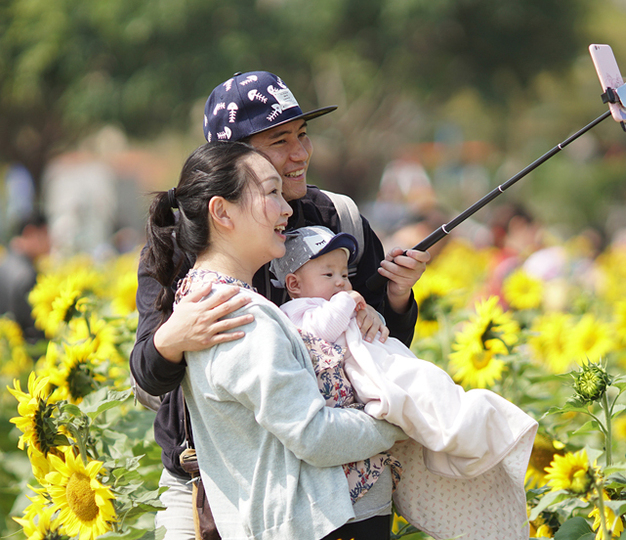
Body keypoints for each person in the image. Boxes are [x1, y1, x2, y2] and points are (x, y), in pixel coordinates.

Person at [129, 72, 430, 539]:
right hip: (211, 484)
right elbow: (148, 379)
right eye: (279, 140)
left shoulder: (337, 217)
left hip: (332, 487)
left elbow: (372, 353)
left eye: (303, 135)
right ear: (231, 159)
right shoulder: (181, 246)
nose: (300, 154)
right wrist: (174, 337)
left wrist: (394, 299)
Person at [275, 225, 537, 540]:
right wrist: (348, 302)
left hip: (383, 364)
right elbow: (321, 332)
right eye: (328, 276)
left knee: (430, 383)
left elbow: (375, 329)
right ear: (294, 284)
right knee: (420, 392)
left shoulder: (332, 301)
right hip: (371, 380)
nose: (341, 283)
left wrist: (371, 316)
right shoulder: (295, 312)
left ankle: (477, 425)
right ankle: (474, 426)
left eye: (345, 275)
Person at [0, 212, 50, 342]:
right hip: (24, 354)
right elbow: (34, 331)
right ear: (30, 232)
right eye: (46, 234)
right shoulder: (27, 275)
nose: (51, 242)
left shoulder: (4, 264)